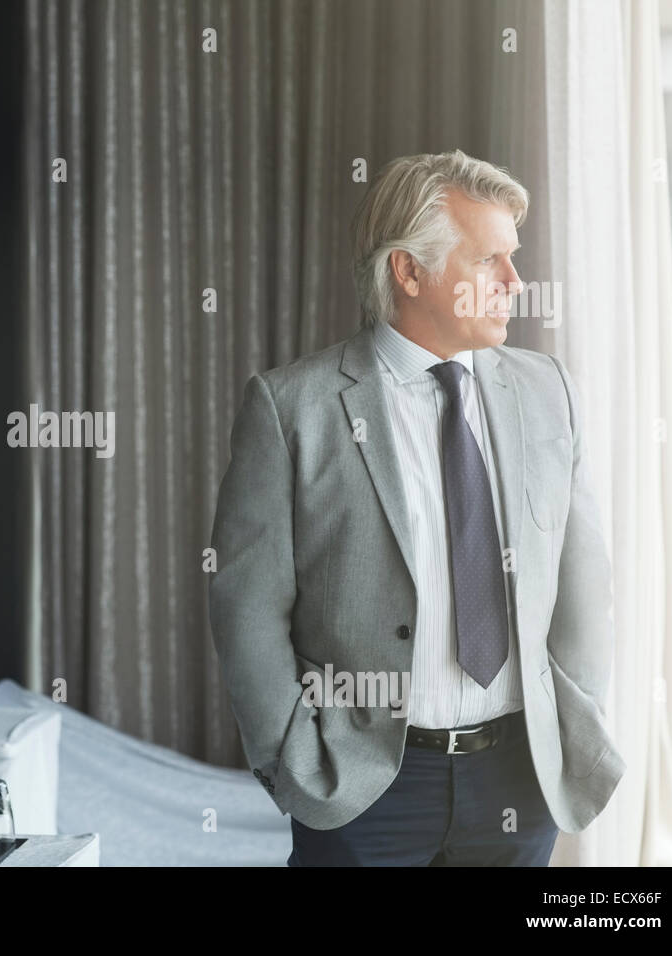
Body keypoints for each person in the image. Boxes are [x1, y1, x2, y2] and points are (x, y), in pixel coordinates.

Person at [207, 149, 625, 866]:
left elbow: (585, 583)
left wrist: (574, 716)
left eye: (513, 259)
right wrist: (292, 756)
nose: (515, 283)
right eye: (489, 261)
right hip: (362, 789)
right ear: (409, 271)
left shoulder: (548, 390)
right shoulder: (292, 408)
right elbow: (246, 605)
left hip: (517, 781)